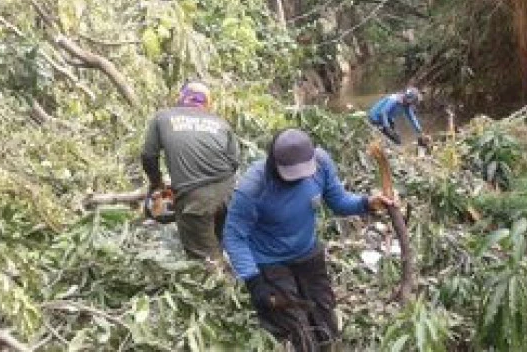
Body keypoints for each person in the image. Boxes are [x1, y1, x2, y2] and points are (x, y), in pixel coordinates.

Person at [224, 129, 392, 351]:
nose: (300, 178)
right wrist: (255, 283)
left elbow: (339, 201)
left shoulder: (320, 163)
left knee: (324, 314)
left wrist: (366, 203)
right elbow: (234, 236)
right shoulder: (253, 188)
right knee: (296, 327)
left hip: (307, 251)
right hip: (270, 261)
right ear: (274, 164)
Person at [141, 80, 240, 265]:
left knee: (207, 264)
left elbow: (148, 157)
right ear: (207, 103)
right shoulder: (221, 123)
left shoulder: (162, 118)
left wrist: (156, 184)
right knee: (229, 247)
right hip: (231, 194)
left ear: (180, 98)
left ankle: (225, 286)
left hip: (196, 200)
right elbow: (234, 162)